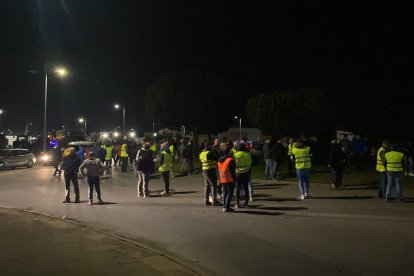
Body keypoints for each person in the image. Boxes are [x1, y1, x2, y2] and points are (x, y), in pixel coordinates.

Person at [234, 143, 252, 208]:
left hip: (238, 173)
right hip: (246, 172)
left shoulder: (236, 155)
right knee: (246, 188)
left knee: (238, 188)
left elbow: (234, 164)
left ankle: (237, 203)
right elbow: (250, 162)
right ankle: (246, 203)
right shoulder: (248, 154)